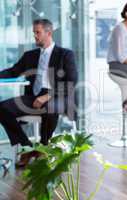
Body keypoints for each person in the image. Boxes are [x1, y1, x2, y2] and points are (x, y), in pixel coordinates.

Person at [0, 19, 77, 167]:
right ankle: (27, 147)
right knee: (2, 108)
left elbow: (71, 82)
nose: (35, 36)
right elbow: (13, 71)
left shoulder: (65, 54)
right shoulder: (30, 55)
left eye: (38, 32)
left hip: (57, 95)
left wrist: (47, 96)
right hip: (33, 95)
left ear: (49, 33)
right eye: (34, 32)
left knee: (50, 107)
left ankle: (43, 146)